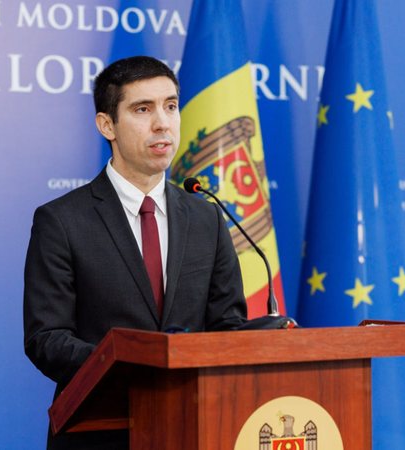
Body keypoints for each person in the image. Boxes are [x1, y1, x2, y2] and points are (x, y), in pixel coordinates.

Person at [23, 56, 248, 450]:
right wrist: (134, 369)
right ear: (106, 125)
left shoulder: (207, 217)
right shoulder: (61, 221)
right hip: (100, 432)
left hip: (195, 427)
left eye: (171, 106)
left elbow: (226, 324)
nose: (162, 123)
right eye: (143, 109)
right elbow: (48, 338)